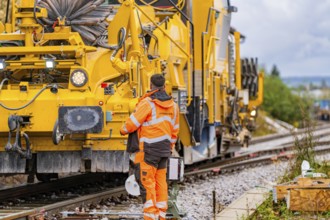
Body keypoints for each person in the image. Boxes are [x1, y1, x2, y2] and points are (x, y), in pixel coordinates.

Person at [120, 74, 179, 220]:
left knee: (148, 184)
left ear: (151, 85)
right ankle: (161, 215)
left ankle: (150, 217)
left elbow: (131, 124)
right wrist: (170, 147)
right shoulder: (174, 106)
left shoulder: (147, 103)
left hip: (149, 150)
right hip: (164, 150)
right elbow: (175, 130)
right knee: (161, 183)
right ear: (164, 86)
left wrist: (123, 130)